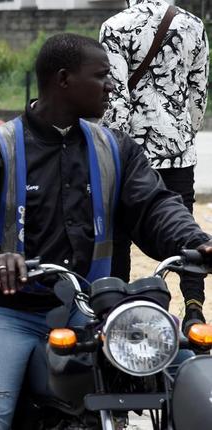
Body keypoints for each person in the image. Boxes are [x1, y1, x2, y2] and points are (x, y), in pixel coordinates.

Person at [0, 33, 212, 430]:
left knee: (195, 379)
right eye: (102, 76)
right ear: (64, 80)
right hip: (11, 313)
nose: (113, 85)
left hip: (96, 313)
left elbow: (155, 206)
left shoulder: (115, 147)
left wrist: (195, 241)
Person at [100, 0, 210, 332]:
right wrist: (183, 133)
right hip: (178, 153)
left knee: (118, 235)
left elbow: (116, 99)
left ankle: (116, 310)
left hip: (130, 156)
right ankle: (193, 311)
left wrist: (114, 152)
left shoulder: (115, 26)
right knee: (186, 236)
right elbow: (198, 93)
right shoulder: (194, 25)